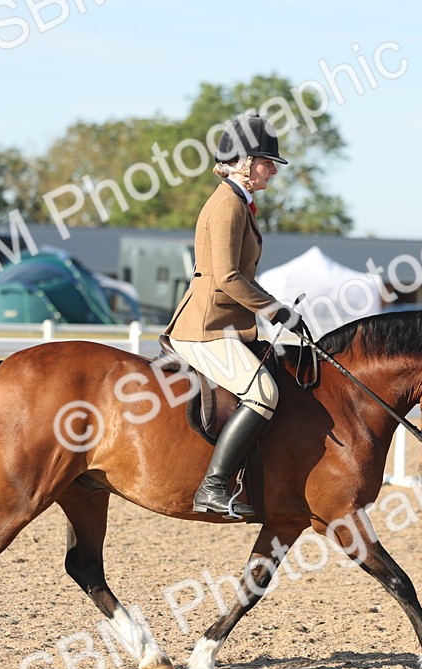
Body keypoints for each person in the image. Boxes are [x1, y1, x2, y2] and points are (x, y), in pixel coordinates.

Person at [164, 114, 304, 517]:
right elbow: (227, 277)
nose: (272, 170)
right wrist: (276, 311)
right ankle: (212, 486)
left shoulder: (238, 203)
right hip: (206, 326)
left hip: (224, 324)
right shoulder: (227, 205)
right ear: (243, 162)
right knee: (264, 393)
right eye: (265, 161)